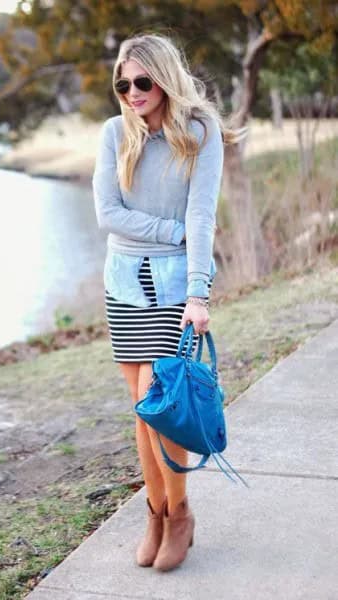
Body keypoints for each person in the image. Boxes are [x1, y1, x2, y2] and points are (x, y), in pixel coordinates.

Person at [92, 32, 241, 572]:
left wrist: (199, 292)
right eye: (123, 83)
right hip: (124, 284)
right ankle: (154, 513)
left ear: (164, 77)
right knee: (142, 407)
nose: (131, 92)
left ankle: (180, 514)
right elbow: (108, 214)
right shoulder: (115, 134)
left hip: (176, 286)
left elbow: (202, 218)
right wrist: (169, 230)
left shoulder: (200, 132)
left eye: (142, 81)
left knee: (164, 406)